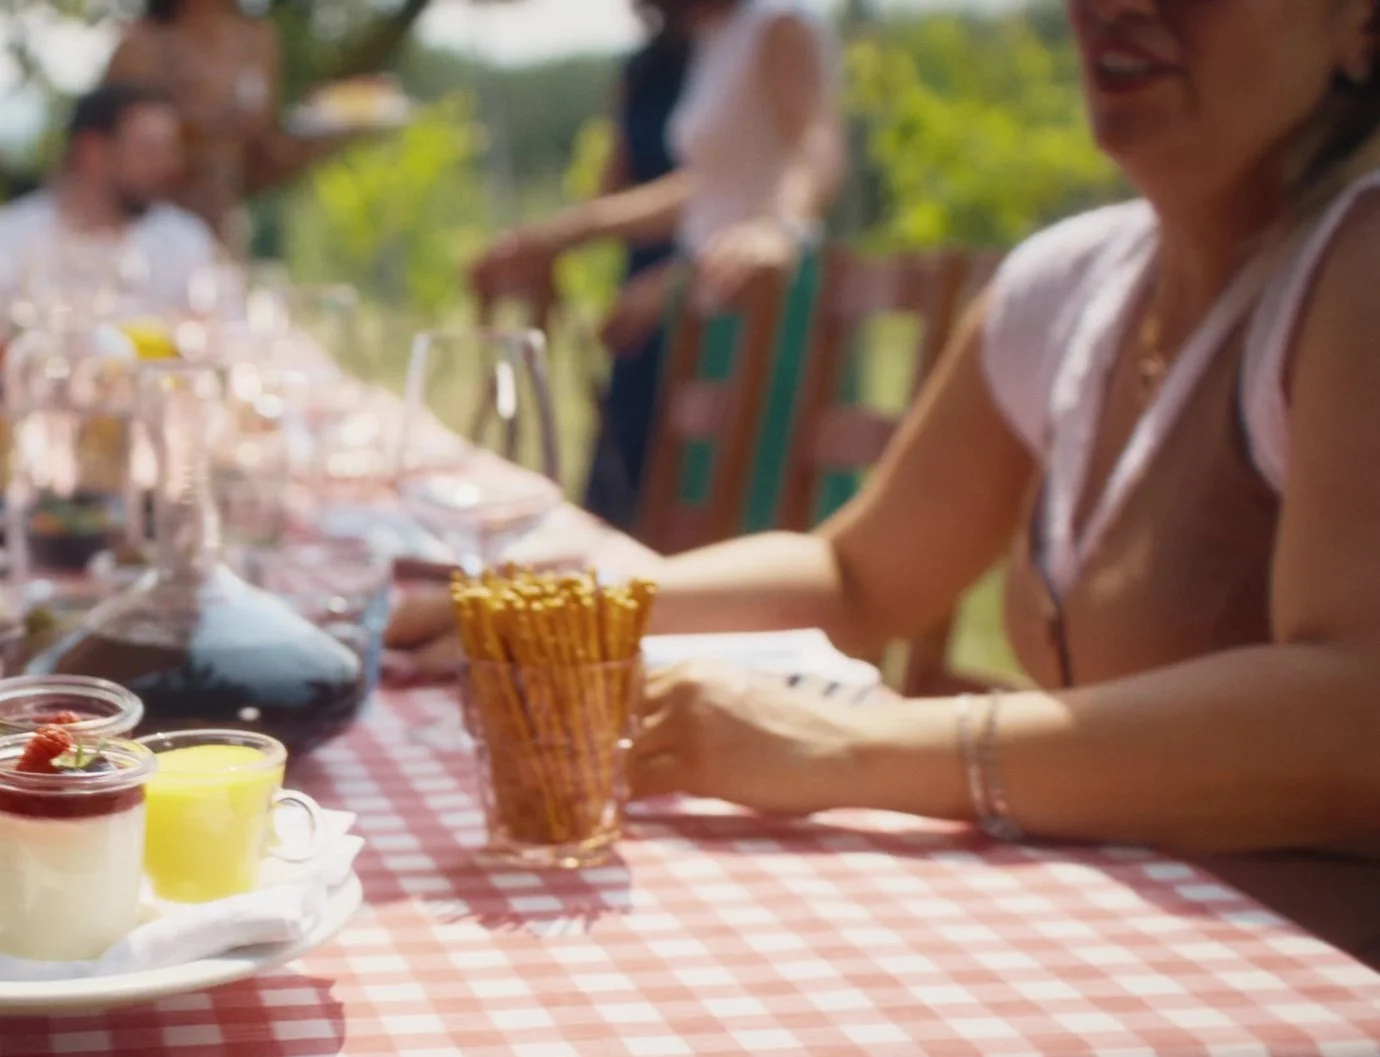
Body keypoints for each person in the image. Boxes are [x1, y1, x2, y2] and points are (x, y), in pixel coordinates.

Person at [436, 0, 1380, 961]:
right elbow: (857, 577)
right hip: (1119, 968)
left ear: (1361, 27)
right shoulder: (1072, 284)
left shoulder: (1358, 262)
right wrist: (554, 612)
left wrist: (851, 751)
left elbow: (1354, 712)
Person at [469, 0, 843, 375]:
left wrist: (780, 227)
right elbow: (711, 188)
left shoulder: (778, 25)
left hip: (772, 300)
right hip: (717, 304)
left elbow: (815, 141)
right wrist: (564, 234)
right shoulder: (714, 36)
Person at [0, 84, 220, 346]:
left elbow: (229, 336)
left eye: (170, 151)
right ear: (92, 152)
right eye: (149, 151)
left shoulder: (185, 241)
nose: (168, 166)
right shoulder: (1, 241)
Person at [573, 7, 696, 530]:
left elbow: (720, 188)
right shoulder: (642, 69)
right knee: (624, 470)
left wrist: (677, 279)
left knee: (683, 478)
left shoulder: (735, 46)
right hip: (641, 274)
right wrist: (558, 242)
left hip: (701, 274)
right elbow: (614, 184)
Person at [102, 0, 355, 248]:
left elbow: (259, 165)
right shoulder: (141, 45)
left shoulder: (259, 41)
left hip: (220, 237)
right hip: (140, 238)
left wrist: (328, 135)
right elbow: (102, 155)